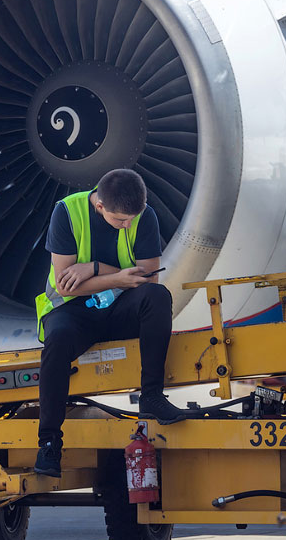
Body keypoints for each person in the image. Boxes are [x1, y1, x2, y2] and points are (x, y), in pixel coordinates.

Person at [32, 168, 189, 477]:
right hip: (72, 311)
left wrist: (93, 269)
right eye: (120, 220)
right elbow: (65, 287)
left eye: (132, 218)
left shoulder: (143, 216)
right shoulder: (67, 212)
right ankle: (49, 442)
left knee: (157, 296)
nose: (127, 225)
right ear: (100, 205)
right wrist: (118, 276)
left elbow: (146, 279)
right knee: (58, 342)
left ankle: (152, 396)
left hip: (119, 309)